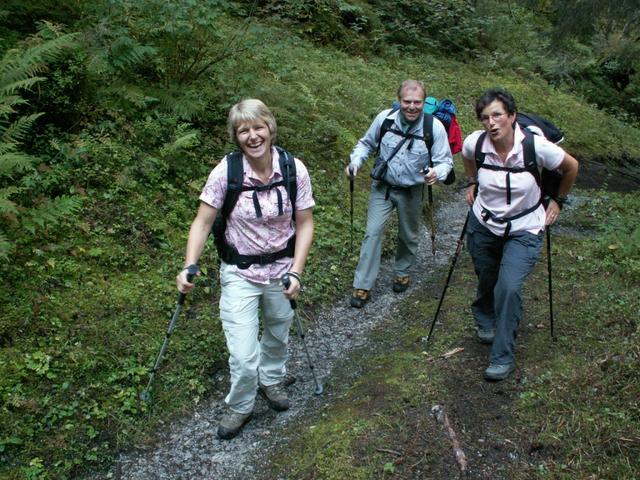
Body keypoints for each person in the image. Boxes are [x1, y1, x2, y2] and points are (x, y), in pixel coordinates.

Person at [176, 99, 315, 439]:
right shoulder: (226, 172)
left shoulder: (293, 169)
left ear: (270, 128)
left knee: (278, 332)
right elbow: (202, 222)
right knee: (241, 353)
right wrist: (189, 265)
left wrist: (297, 270)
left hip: (281, 270)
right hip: (240, 272)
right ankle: (240, 405)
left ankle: (271, 379)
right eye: (243, 131)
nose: (253, 136)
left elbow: (306, 223)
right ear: (236, 136)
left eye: (258, 128)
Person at [461, 88, 578, 381]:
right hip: (484, 224)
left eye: (498, 115)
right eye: (485, 117)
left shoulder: (536, 147)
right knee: (487, 276)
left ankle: (501, 355)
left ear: (512, 116)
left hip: (525, 227)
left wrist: (557, 201)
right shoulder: (475, 143)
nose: (491, 123)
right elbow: (466, 158)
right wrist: (473, 182)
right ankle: (484, 316)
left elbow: (571, 166)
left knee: (508, 287)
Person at [346, 79, 453, 308]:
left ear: (424, 102)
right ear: (399, 101)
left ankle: (402, 271)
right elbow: (366, 143)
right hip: (382, 188)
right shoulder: (384, 119)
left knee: (408, 234)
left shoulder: (433, 127)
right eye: (407, 102)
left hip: (412, 190)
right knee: (372, 233)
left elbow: (445, 161)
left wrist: (437, 172)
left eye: (417, 102)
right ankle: (362, 285)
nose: (412, 107)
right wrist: (356, 162)